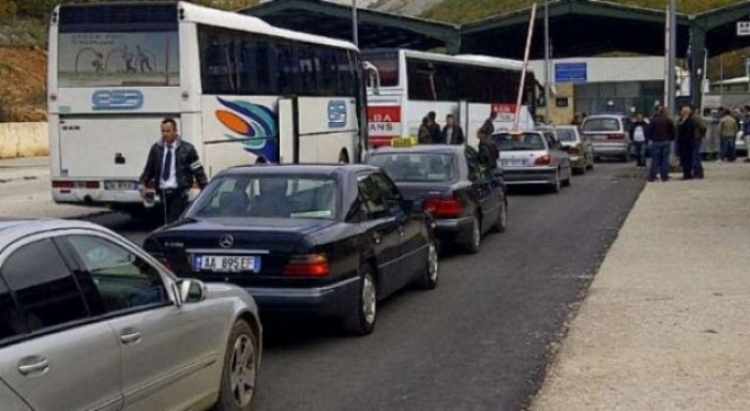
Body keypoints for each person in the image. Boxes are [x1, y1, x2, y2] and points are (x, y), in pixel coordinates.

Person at [139, 118, 209, 224]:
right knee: (164, 223)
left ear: (175, 131)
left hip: (179, 193)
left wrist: (206, 191)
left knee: (172, 222)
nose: (165, 134)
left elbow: (198, 171)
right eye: (163, 131)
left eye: (168, 131)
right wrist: (142, 183)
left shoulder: (187, 149)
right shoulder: (156, 149)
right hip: (162, 193)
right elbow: (149, 169)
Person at [647, 105, 675, 182]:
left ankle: (652, 176)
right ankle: (664, 176)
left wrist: (651, 138)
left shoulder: (653, 120)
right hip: (666, 141)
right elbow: (672, 131)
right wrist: (671, 138)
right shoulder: (668, 120)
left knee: (655, 159)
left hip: (656, 141)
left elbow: (649, 131)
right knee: (665, 159)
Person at [677, 105, 699, 180]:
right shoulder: (682, 120)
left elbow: (688, 133)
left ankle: (687, 174)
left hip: (687, 143)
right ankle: (686, 173)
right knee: (684, 159)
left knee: (687, 159)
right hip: (683, 143)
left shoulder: (689, 121)